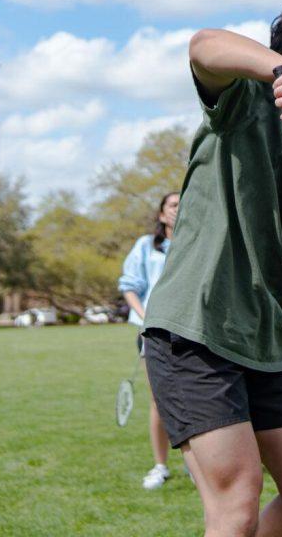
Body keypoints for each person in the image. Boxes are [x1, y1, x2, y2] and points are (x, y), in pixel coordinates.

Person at [143, 0, 282, 537]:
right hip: (198, 330)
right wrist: (277, 69)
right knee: (235, 502)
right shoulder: (249, 100)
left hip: (272, 347)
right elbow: (203, 46)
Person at [118, 191, 181, 490]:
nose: (178, 210)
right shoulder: (146, 246)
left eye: (184, 205)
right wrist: (145, 317)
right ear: (161, 214)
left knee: (198, 400)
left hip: (193, 333)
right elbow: (130, 286)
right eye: (173, 205)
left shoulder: (195, 245)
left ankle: (200, 466)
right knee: (160, 401)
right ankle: (160, 465)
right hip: (154, 334)